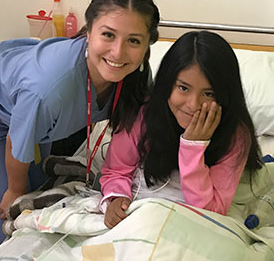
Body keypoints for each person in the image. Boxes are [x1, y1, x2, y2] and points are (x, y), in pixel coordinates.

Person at [0, 0, 160, 248]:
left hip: (22, 100)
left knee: (40, 186)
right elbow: (18, 140)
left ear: (148, 43)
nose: (118, 52)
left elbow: (147, 127)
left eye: (133, 41)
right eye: (108, 35)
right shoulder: (51, 88)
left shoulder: (136, 77)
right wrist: (14, 188)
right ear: (89, 31)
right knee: (13, 200)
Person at [100, 30, 263, 229]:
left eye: (209, 94)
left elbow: (210, 212)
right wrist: (117, 197)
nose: (193, 105)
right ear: (167, 85)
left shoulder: (236, 135)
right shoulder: (141, 115)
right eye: (183, 88)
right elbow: (116, 170)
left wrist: (193, 146)